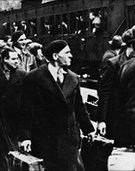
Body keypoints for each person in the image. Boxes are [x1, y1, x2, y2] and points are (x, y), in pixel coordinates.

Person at [20, 39, 95, 170]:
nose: (71, 55)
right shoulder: (33, 78)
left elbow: (79, 107)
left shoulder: (73, 78)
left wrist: (88, 129)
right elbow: (27, 109)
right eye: (67, 52)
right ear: (55, 56)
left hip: (69, 138)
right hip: (45, 139)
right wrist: (26, 137)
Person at [97, 29, 133, 138]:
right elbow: (105, 91)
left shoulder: (111, 55)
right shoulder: (111, 59)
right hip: (115, 114)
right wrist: (101, 119)